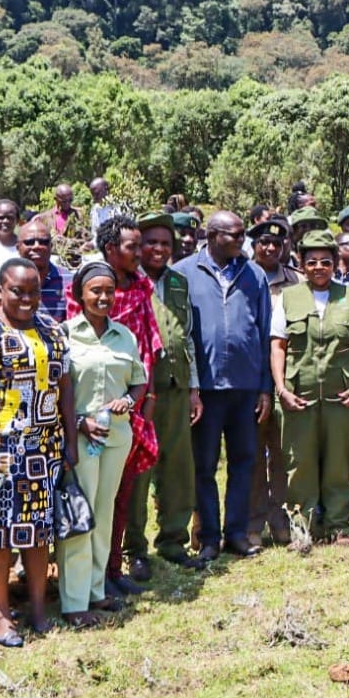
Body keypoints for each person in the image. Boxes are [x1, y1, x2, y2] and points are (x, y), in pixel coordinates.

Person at [0, 258, 77, 646]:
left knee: (37, 530)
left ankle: (38, 609)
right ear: (1, 290)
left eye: (33, 291)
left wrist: (70, 441)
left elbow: (65, 388)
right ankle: (0, 614)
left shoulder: (52, 329)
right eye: (17, 291)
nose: (26, 299)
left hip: (41, 448)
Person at [66, 214, 162, 592]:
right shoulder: (80, 302)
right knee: (86, 499)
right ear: (110, 249)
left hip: (128, 410)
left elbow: (149, 349)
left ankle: (110, 572)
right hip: (86, 418)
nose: (141, 253)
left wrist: (145, 396)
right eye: (132, 247)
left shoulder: (140, 289)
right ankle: (81, 585)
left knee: (118, 496)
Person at [175, 210, 273, 561]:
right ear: (212, 235)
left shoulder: (254, 274)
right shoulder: (184, 273)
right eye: (234, 234)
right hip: (206, 389)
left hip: (245, 387)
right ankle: (209, 537)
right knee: (204, 465)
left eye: (243, 234)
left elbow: (264, 331)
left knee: (243, 461)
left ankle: (236, 533)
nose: (241, 241)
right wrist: (191, 388)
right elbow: (181, 333)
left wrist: (265, 387)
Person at [270, 229, 349, 545]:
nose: (319, 267)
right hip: (298, 394)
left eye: (326, 262)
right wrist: (281, 388)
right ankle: (302, 526)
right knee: (299, 463)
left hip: (341, 396)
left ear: (335, 264)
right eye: (312, 261)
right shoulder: (288, 297)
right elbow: (278, 345)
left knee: (338, 463)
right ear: (302, 264)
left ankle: (339, 524)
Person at [61, 262, 148, 627]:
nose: (103, 297)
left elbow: (139, 381)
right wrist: (79, 422)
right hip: (80, 437)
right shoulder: (65, 334)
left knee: (104, 511)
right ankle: (74, 600)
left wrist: (128, 400)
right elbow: (57, 389)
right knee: (80, 513)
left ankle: (96, 591)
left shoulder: (124, 335)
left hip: (116, 436)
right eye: (95, 290)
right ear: (80, 293)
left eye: (109, 291)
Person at [136, 213, 203, 568]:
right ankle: (133, 548)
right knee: (138, 471)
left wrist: (193, 388)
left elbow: (186, 336)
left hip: (176, 387)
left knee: (177, 467)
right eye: (151, 242)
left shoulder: (178, 282)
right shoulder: (127, 280)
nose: (159, 249)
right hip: (140, 392)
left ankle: (173, 540)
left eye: (165, 243)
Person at [247, 217, 299, 549]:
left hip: (286, 376)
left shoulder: (296, 280)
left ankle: (280, 517)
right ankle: (253, 521)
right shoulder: (241, 275)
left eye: (277, 244)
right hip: (250, 376)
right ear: (253, 245)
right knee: (251, 452)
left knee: (282, 451)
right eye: (264, 242)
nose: (270, 248)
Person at [16, 219, 66, 323]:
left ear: (51, 247)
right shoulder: (8, 282)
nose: (37, 246)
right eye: (29, 242)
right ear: (18, 247)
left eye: (43, 242)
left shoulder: (69, 280)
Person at [45, 183, 87, 269]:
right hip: (53, 261)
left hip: (75, 261)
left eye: (70, 200)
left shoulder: (79, 214)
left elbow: (86, 237)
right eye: (64, 201)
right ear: (56, 199)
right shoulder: (46, 217)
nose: (68, 203)